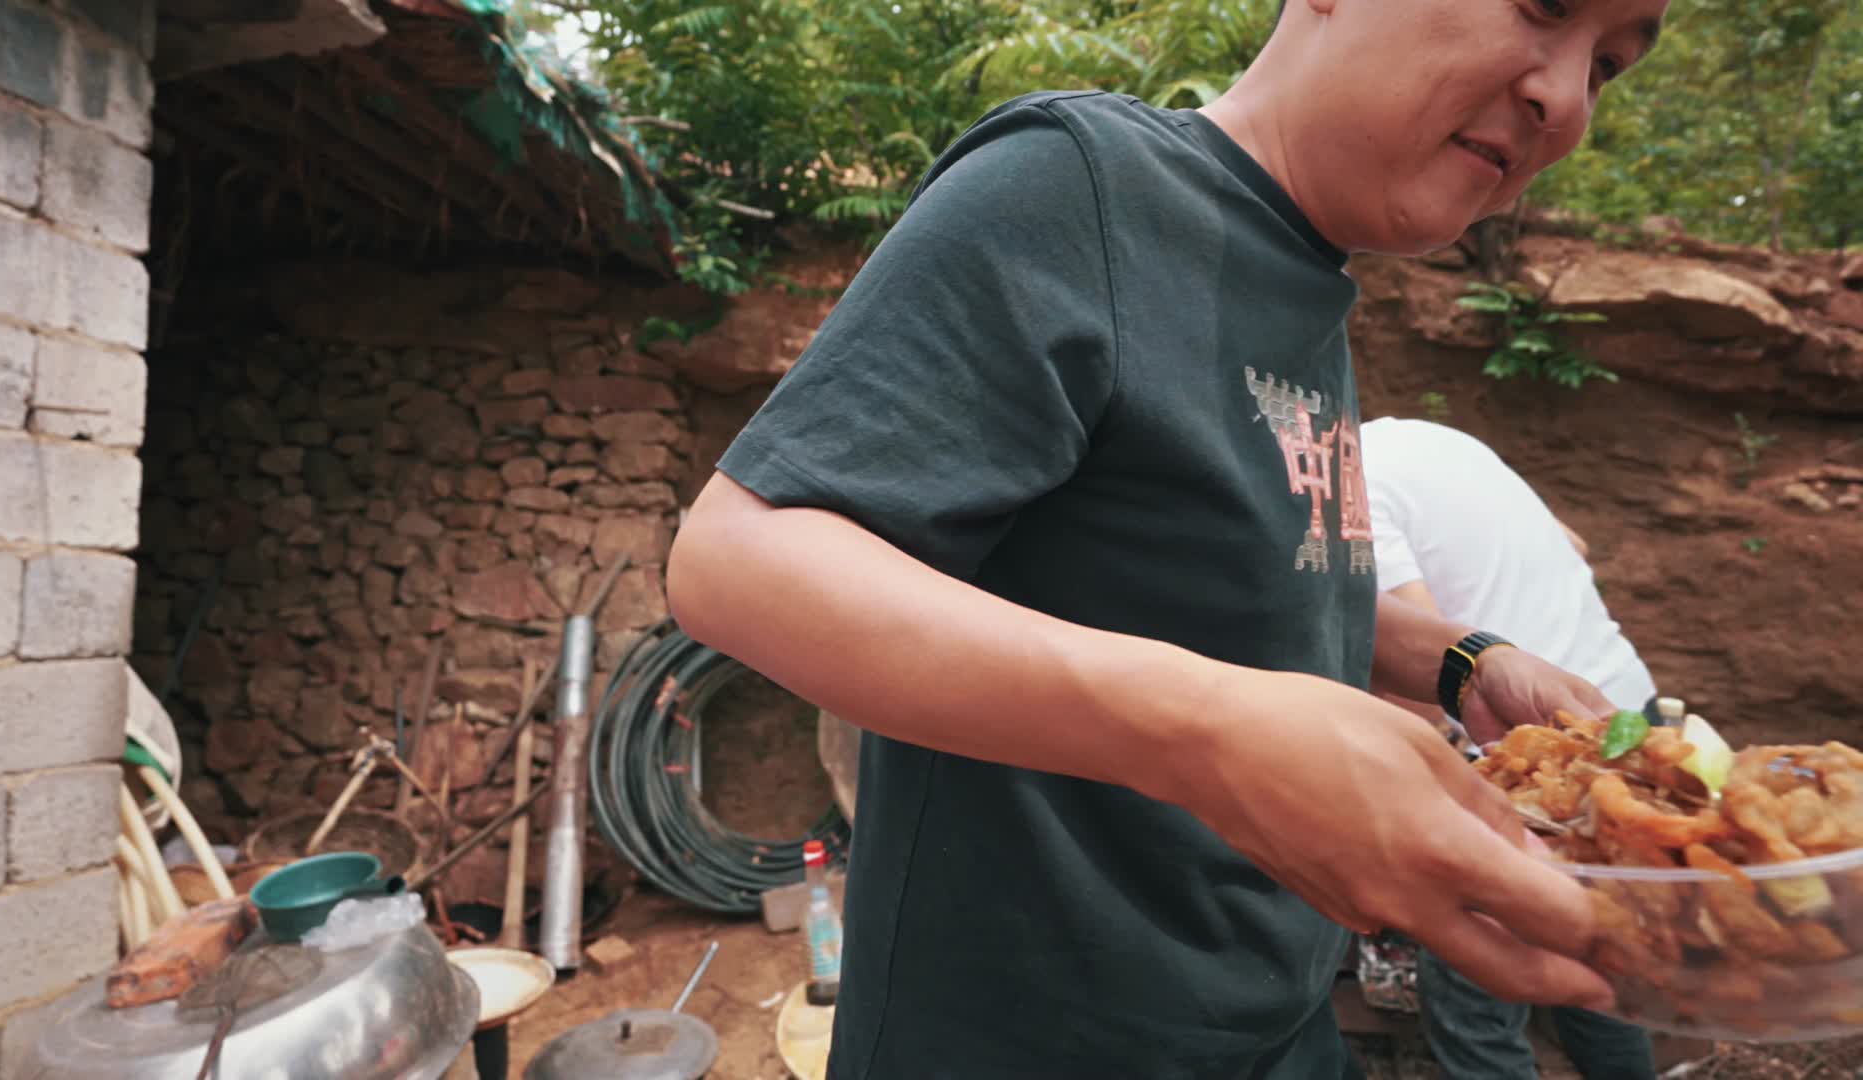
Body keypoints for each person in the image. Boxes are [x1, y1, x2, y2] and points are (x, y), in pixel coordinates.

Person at [666, 0, 1670, 1074]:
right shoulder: (1080, 187)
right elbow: (738, 559)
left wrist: (1466, 663)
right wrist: (1210, 736)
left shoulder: (1307, 282)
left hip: (1277, 1031)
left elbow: (1244, 587)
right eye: (1544, 9)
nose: (1565, 100)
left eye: (1607, 66)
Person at [1361, 416, 1661, 1080]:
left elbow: (1419, 681)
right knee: (1598, 950)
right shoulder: (1433, 439)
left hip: (1544, 745)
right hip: (1625, 710)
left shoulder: (1348, 483)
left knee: (1470, 991)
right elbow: (1573, 545)